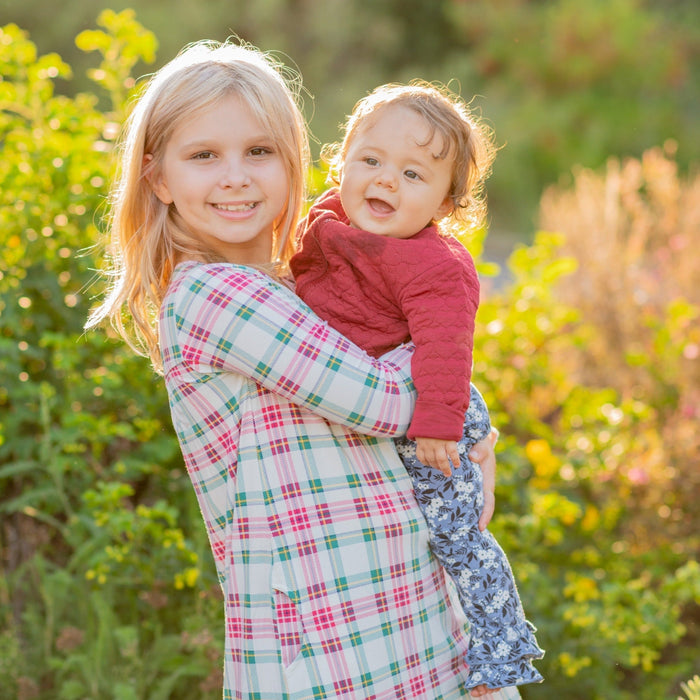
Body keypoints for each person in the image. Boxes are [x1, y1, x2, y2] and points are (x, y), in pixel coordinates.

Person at [85, 40, 513, 700]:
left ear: (294, 162)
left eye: (259, 152)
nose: (235, 176)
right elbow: (385, 402)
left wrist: (462, 418)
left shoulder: (301, 286)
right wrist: (452, 381)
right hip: (319, 648)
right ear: (159, 179)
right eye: (204, 156)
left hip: (411, 619)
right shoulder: (213, 296)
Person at [290, 82, 544, 693]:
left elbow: (445, 349)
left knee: (457, 534)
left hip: (436, 409)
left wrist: (439, 429)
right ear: (341, 160)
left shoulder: (434, 265)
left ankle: (501, 651)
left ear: (446, 200)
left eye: (412, 173)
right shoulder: (324, 221)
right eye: (371, 161)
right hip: (392, 400)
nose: (385, 182)